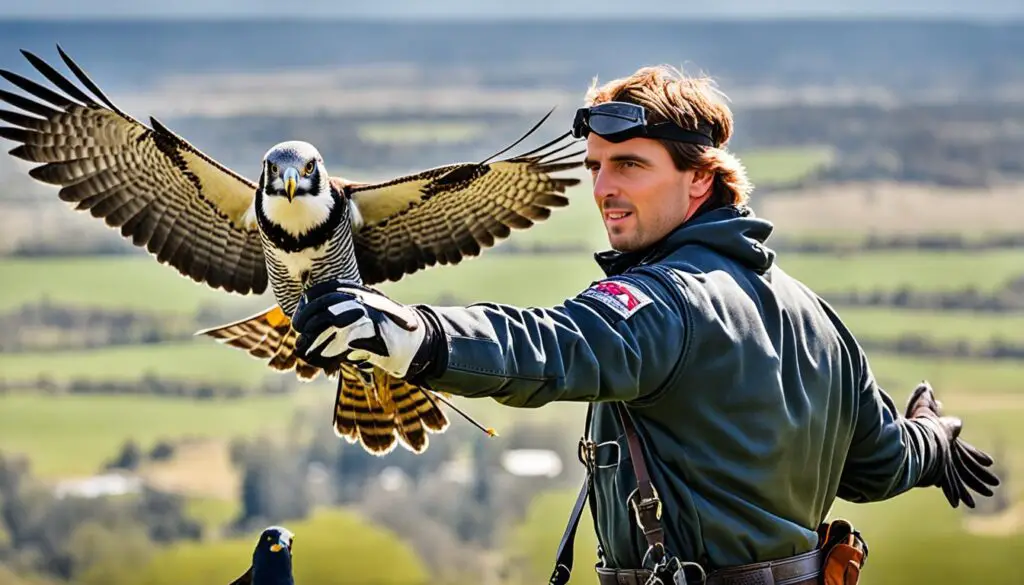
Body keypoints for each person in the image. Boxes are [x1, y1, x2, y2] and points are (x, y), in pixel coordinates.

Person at [289, 66, 999, 585]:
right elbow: (880, 465)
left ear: (701, 178)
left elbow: (554, 346)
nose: (602, 188)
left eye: (628, 164)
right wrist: (932, 442)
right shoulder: (819, 321)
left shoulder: (662, 301)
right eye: (597, 167)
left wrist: (415, 336)